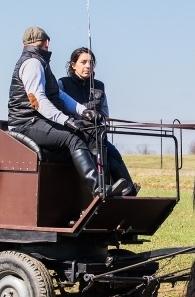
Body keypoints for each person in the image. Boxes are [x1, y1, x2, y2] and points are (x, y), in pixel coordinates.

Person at [7, 26, 127, 197]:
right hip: (26, 123)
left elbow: (58, 94)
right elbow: (37, 100)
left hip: (37, 121)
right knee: (73, 138)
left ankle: (118, 184)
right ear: (46, 43)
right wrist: (65, 120)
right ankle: (98, 189)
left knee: (91, 131)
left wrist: (83, 111)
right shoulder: (33, 63)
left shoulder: (39, 62)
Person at [58, 47, 138, 195]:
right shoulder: (63, 84)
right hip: (76, 134)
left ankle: (129, 189)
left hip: (97, 134)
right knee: (102, 150)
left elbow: (104, 114)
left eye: (91, 62)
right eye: (83, 62)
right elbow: (60, 111)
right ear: (73, 65)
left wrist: (99, 117)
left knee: (113, 153)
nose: (88, 66)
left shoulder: (99, 86)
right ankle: (102, 187)